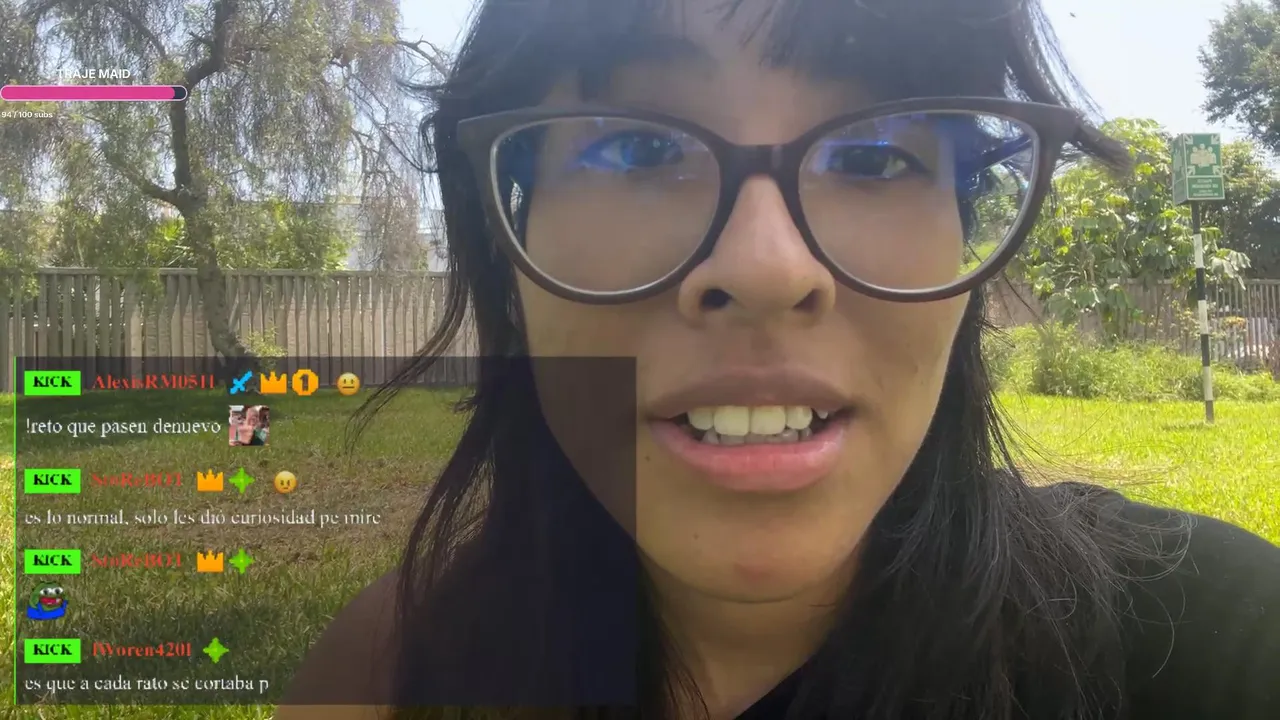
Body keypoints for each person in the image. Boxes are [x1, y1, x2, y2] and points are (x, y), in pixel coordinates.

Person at [281, 0, 1280, 718]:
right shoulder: (386, 678)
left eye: (875, 155)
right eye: (636, 149)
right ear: (507, 256)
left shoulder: (1205, 647)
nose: (766, 268)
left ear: (962, 264)